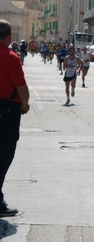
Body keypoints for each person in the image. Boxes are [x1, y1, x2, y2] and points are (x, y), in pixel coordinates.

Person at [0, 19, 30, 217]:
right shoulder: (11, 57)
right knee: (4, 154)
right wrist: (25, 104)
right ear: (10, 36)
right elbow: (21, 87)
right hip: (6, 111)